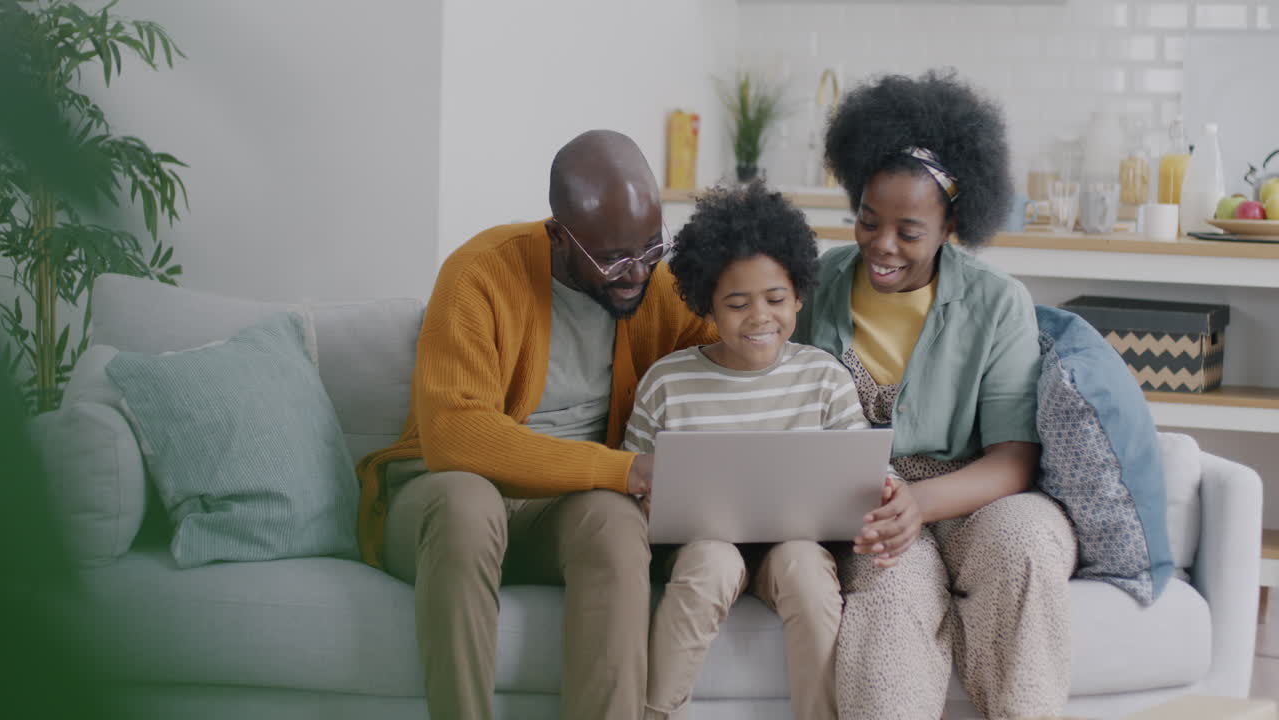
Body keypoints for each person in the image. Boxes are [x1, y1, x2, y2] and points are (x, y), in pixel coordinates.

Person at [355, 129, 717, 720]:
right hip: (440, 503)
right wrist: (626, 469)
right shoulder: (480, 273)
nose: (636, 275)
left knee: (614, 523)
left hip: (560, 514)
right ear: (558, 236)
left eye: (651, 248)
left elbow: (734, 357)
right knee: (471, 504)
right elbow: (455, 436)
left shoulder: (656, 283)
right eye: (612, 257)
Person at [796, 71, 1078, 720]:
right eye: (868, 221)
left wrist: (922, 502)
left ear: (951, 223)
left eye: (908, 231)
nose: (881, 246)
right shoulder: (820, 283)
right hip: (869, 504)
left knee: (1027, 544)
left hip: (976, 492)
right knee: (890, 599)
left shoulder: (997, 301)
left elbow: (1014, 458)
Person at [624, 181, 870, 720]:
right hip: (701, 548)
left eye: (776, 300)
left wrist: (881, 490)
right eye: (737, 304)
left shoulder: (824, 378)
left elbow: (859, 474)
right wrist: (646, 499)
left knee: (806, 569)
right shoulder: (669, 382)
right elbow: (633, 476)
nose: (760, 317)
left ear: (800, 295)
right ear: (706, 302)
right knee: (712, 561)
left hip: (795, 546)